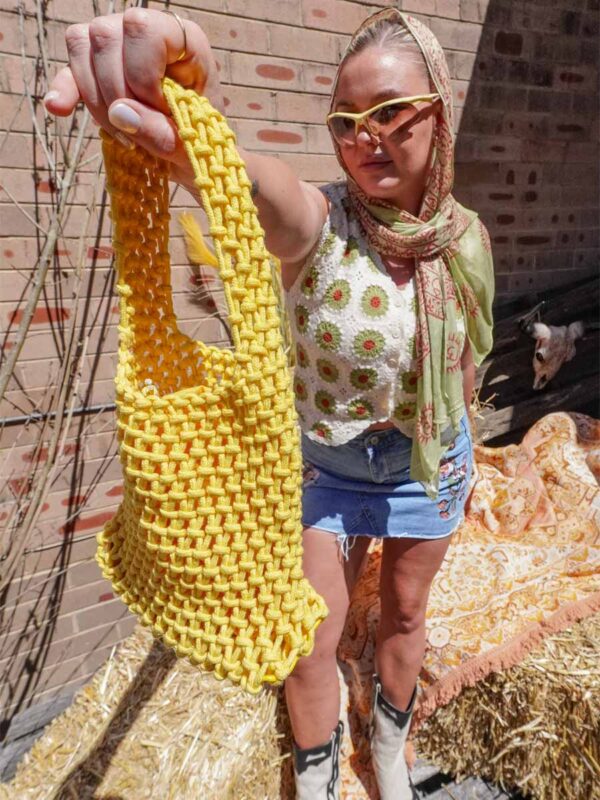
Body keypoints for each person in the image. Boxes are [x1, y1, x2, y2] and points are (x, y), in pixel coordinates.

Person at [46, 6, 494, 798]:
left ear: (441, 113)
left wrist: (462, 453)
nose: (368, 137)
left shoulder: (465, 239)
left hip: (425, 461)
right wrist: (191, 120)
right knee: (309, 639)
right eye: (347, 121)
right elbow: (261, 189)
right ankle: (317, 774)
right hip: (321, 464)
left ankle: (388, 750)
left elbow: (463, 355)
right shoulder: (322, 223)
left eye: (391, 112)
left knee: (406, 613)